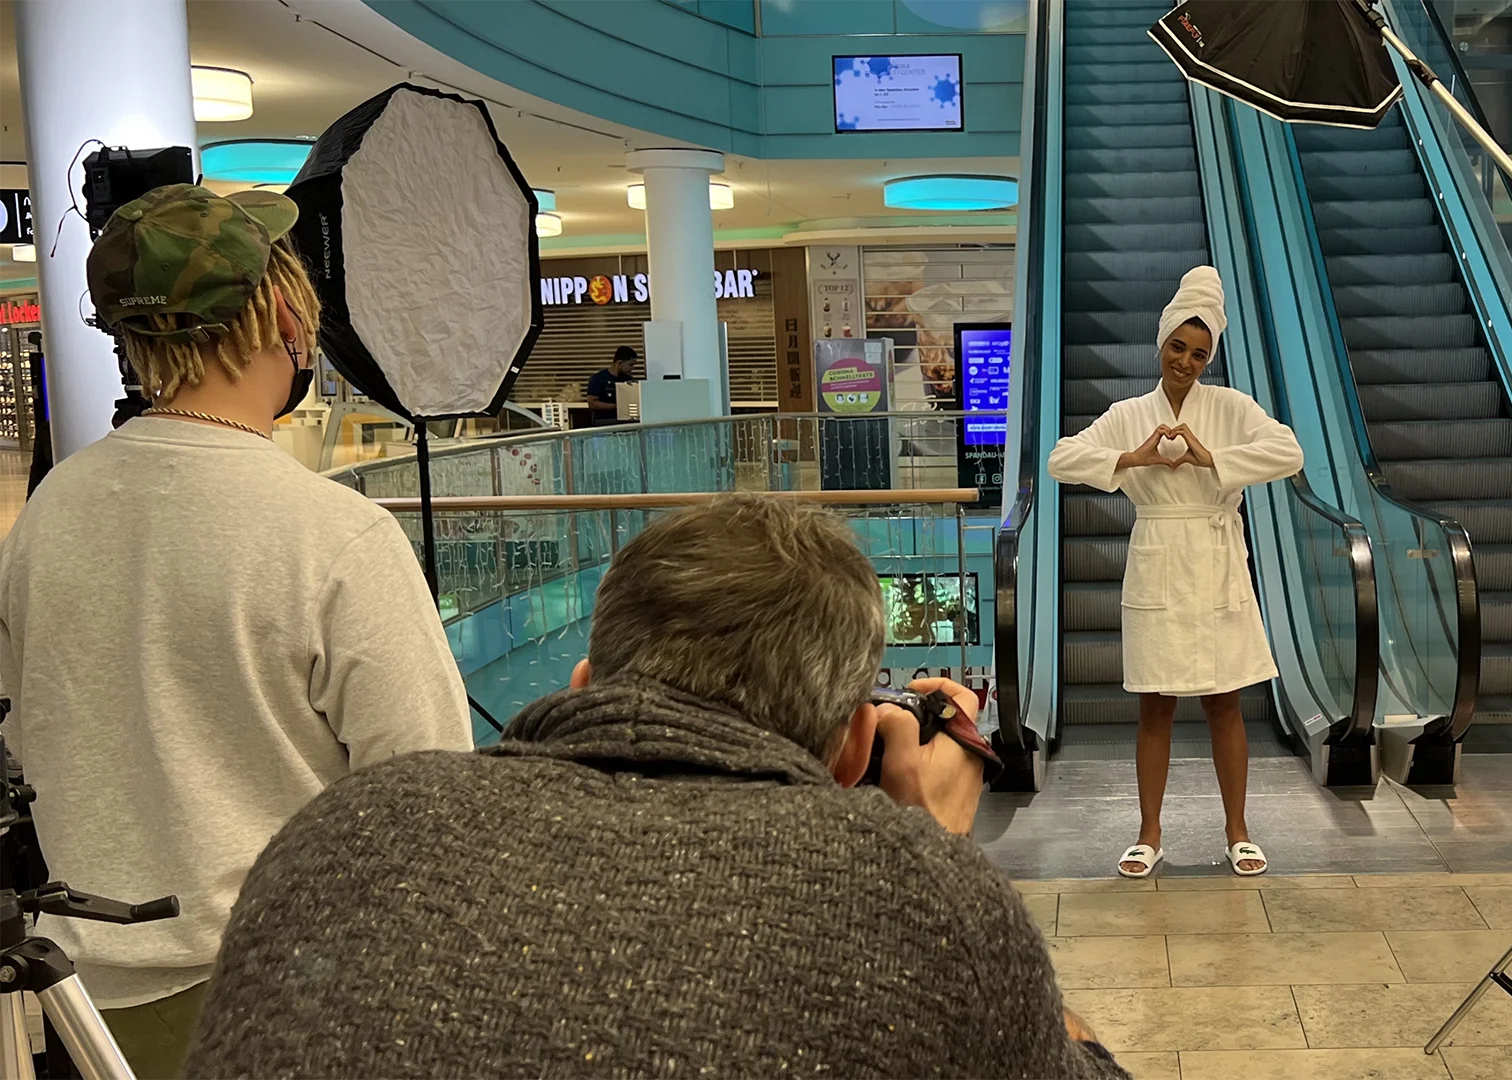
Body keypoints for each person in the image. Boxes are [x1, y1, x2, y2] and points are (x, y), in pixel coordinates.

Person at [183, 495, 1130, 1080]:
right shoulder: (918, 894)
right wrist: (929, 846)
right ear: (853, 747)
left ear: (583, 685)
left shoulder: (345, 834)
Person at [0, 184, 474, 1080]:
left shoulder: (49, 510)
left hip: (68, 1005)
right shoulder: (332, 536)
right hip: (268, 999)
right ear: (285, 316)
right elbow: (429, 810)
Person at [1048, 266, 1304, 879]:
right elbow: (1061, 457)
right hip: (1158, 554)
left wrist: (1208, 454)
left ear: (1209, 357)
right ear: (1160, 343)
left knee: (1226, 702)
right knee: (1155, 705)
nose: (1185, 362)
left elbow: (1289, 452)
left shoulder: (1230, 407)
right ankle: (1149, 834)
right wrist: (1130, 457)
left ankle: (1238, 831)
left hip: (1215, 559)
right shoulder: (1130, 412)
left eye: (1198, 353)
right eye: (1176, 348)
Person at [585, 344, 638, 421]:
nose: (632, 368)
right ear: (620, 363)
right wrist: (615, 406)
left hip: (625, 421)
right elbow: (592, 403)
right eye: (630, 365)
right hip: (604, 422)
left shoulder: (629, 380)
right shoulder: (599, 378)